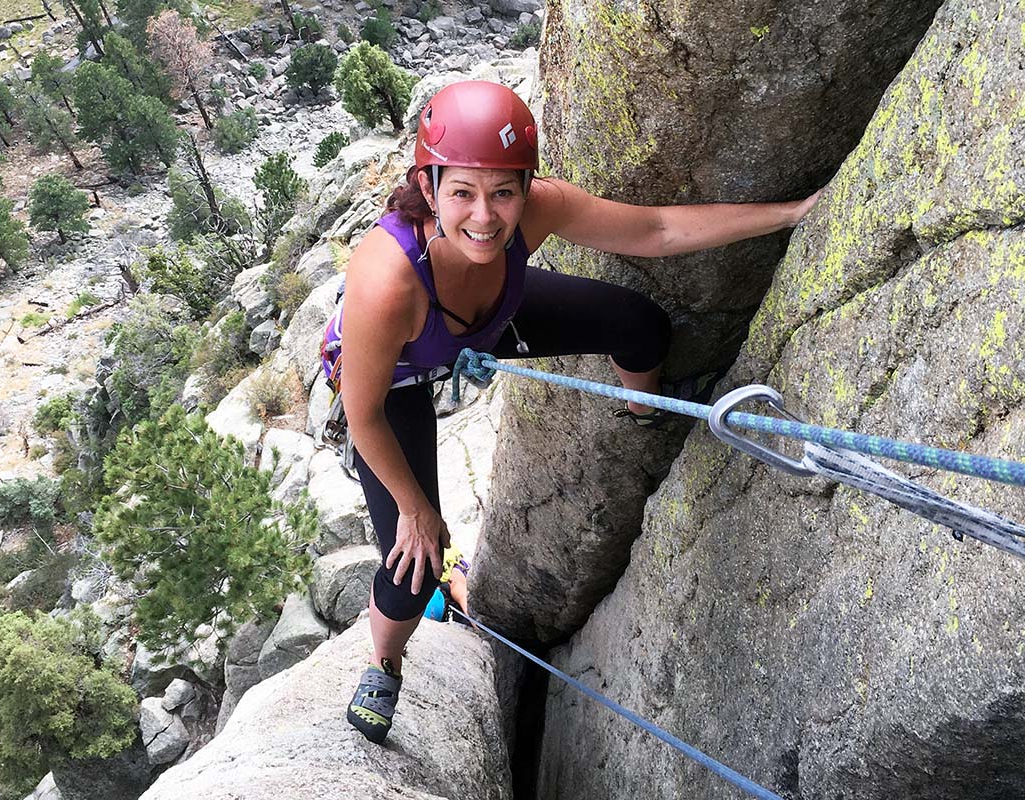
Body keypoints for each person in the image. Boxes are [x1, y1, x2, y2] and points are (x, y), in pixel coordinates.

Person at [325, 80, 819, 744]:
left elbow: (657, 230)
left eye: (504, 192)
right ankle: (384, 662)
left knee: (640, 326)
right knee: (415, 568)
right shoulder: (386, 280)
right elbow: (363, 416)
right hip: (396, 384)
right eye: (463, 192)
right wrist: (417, 511)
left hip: (484, 319)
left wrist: (789, 214)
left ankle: (644, 417)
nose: (485, 216)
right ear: (428, 181)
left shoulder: (536, 210)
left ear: (527, 187)